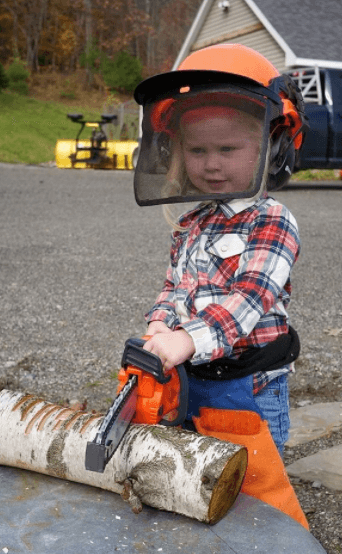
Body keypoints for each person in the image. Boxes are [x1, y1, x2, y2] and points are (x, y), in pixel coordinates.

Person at [132, 43, 311, 529]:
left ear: (270, 147)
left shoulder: (272, 221)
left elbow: (248, 300)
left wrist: (187, 339)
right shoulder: (192, 222)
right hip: (195, 378)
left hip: (247, 385)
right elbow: (175, 287)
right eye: (198, 150)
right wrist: (159, 324)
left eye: (227, 150)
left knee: (254, 487)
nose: (211, 164)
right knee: (202, 470)